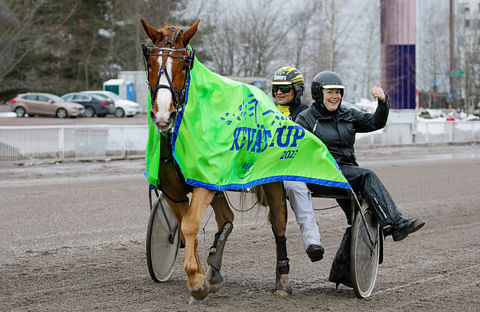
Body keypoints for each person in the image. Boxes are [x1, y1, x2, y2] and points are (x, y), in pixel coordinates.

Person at [296, 71, 425, 286]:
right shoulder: (307, 118)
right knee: (367, 175)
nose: (335, 96)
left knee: (358, 220)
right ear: (319, 94)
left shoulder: (347, 114)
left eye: (338, 92)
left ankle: (343, 273)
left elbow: (376, 122)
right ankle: (395, 224)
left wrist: (383, 102)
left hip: (345, 172)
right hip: (319, 172)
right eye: (330, 92)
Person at [271, 66, 324, 262]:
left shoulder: (308, 114)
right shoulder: (266, 111)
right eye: (276, 88)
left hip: (293, 171)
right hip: (265, 169)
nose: (278, 92)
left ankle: (312, 241)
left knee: (294, 187)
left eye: (284, 88)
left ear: (297, 90)